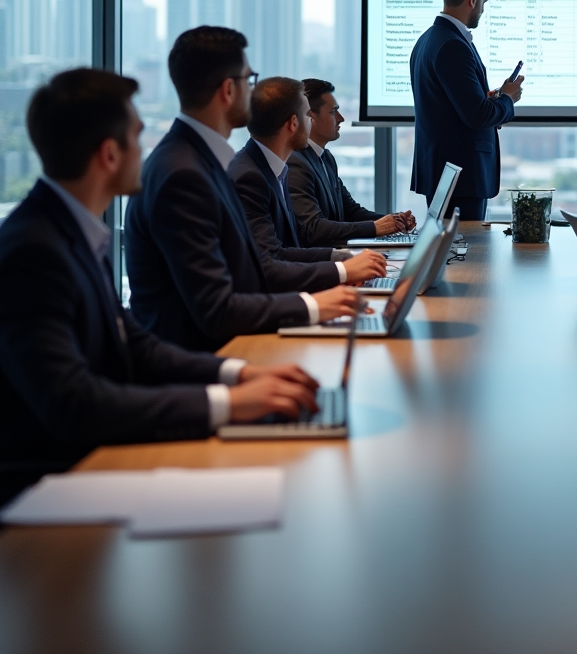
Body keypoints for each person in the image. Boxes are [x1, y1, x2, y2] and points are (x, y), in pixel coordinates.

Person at [0, 69, 323, 506]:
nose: (145, 149)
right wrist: (227, 404)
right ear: (109, 155)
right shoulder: (34, 251)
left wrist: (241, 374)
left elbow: (136, 346)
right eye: (136, 136)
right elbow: (76, 402)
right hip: (52, 488)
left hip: (95, 462)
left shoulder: (68, 230)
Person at [124, 27, 361, 353]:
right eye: (248, 80)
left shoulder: (197, 159)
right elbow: (217, 309)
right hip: (206, 361)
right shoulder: (184, 174)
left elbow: (256, 261)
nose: (253, 90)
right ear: (227, 90)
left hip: (233, 343)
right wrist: (317, 305)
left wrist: (336, 274)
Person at [229, 77, 387, 289]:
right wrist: (342, 270)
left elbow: (283, 250)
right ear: (293, 123)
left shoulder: (273, 167)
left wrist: (342, 258)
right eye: (307, 115)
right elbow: (268, 262)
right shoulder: (250, 177)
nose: (310, 122)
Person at [409, 0, 524, 221]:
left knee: (451, 254)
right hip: (460, 176)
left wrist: (487, 98)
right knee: (466, 256)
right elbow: (477, 116)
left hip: (447, 173)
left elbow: (452, 106)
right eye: (484, 0)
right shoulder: (453, 45)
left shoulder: (428, 39)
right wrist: (507, 99)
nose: (483, 8)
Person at [288, 78, 415, 246]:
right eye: (333, 112)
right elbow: (313, 228)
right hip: (320, 262)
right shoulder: (296, 163)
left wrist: (394, 221)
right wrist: (374, 228)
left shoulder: (326, 158)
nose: (341, 118)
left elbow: (351, 211)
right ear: (311, 118)